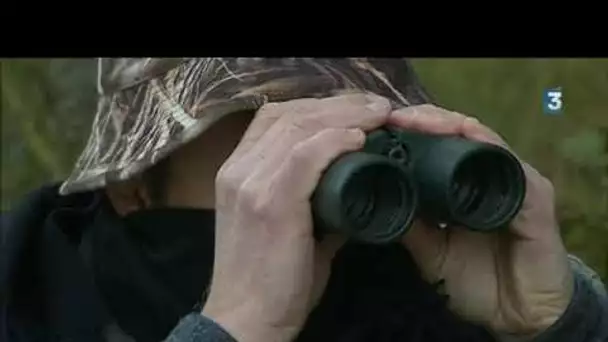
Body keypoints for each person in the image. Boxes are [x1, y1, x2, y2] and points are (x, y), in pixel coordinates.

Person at [1, 58, 606, 342]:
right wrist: (234, 330)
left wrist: (563, 325)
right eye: (268, 151)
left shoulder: (442, 301)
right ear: (132, 190)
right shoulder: (24, 300)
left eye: (368, 139)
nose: (314, 172)